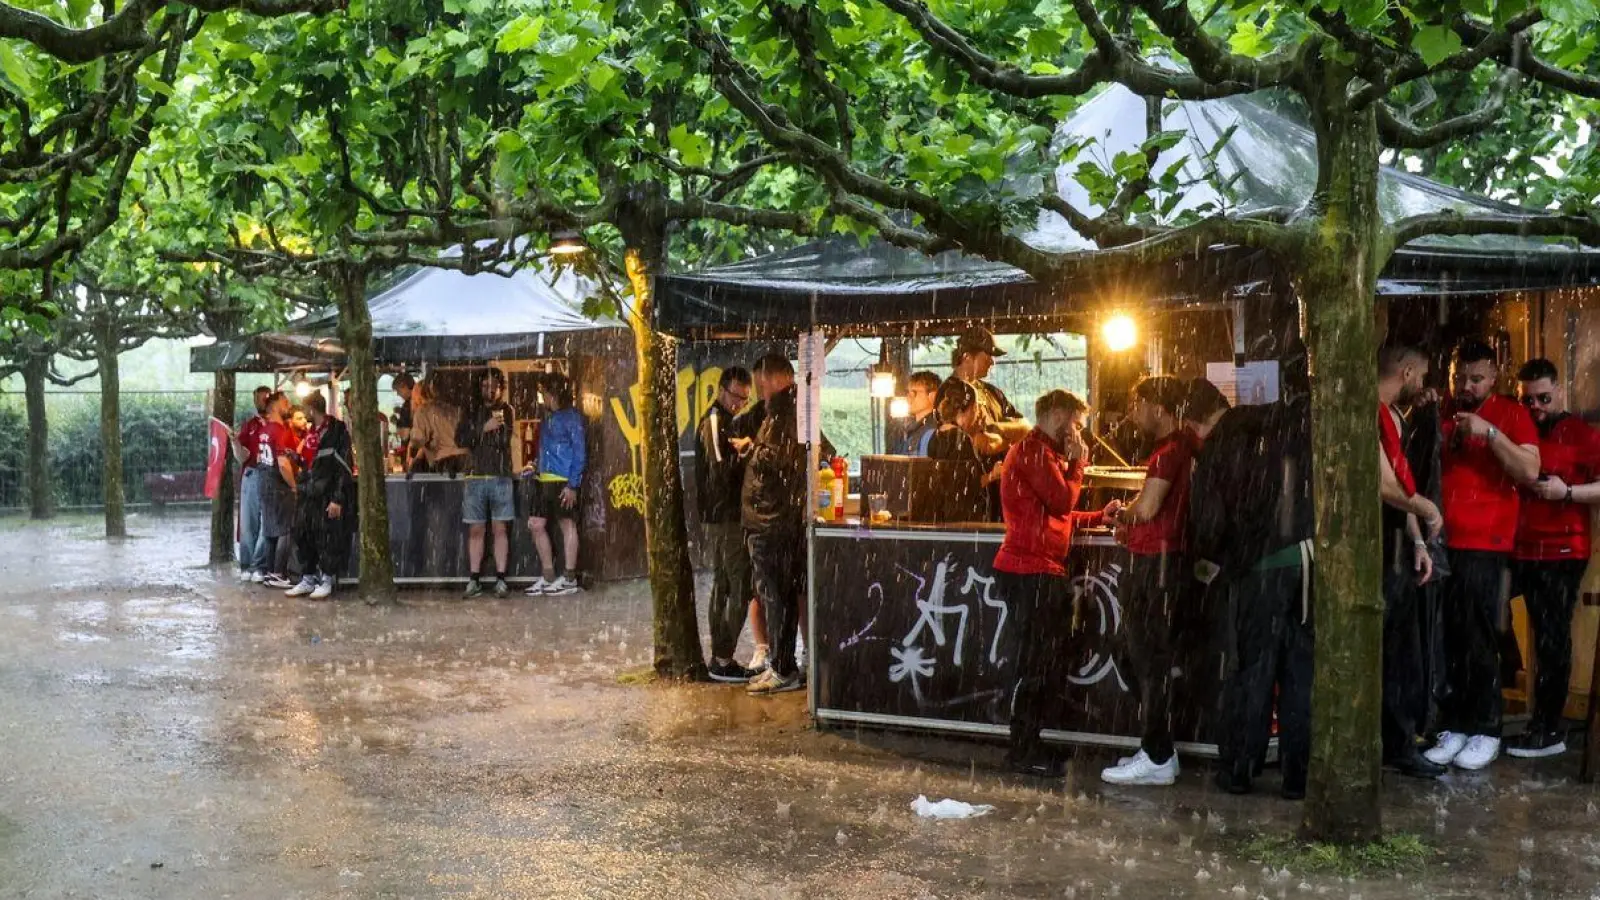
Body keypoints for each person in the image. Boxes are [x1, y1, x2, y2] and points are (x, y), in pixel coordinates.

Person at [1192, 368, 1314, 798]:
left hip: (1257, 568)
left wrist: (1216, 559)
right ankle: (1299, 776)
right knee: (1301, 672)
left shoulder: (1218, 446)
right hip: (1306, 558)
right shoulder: (1279, 423)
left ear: (1194, 422)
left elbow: (1208, 524)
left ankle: (1240, 768)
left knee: (1253, 670)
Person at [1425, 340, 1540, 772]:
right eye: (1460, 377)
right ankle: (1454, 724)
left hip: (1486, 544)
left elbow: (1530, 471)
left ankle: (1487, 728)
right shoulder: (1442, 410)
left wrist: (1490, 434)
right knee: (1448, 636)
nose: (1466, 386)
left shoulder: (1511, 413)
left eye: (1475, 378)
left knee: (1479, 636)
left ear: (1494, 377)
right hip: (1444, 541)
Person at [994, 390, 1118, 777]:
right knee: (1035, 663)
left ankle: (1030, 743)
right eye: (1077, 423)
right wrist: (1079, 465)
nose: (1079, 432)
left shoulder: (1043, 455)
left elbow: (1056, 514)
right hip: (1029, 570)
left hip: (1038, 569)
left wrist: (1098, 515)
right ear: (1059, 415)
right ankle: (1023, 747)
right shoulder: (1033, 452)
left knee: (1043, 662)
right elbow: (1062, 501)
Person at [1100, 375, 1214, 788]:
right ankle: (1158, 745)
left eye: (1137, 403)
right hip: (1162, 561)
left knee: (1146, 659)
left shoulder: (1170, 451)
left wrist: (1120, 513)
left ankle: (1158, 752)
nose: (1133, 413)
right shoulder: (1185, 446)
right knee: (1140, 655)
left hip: (1156, 564)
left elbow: (1148, 508)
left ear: (1158, 407)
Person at [1508, 358, 1600, 759]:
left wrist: (1567, 493)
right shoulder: (1518, 427)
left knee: (1551, 636)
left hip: (1564, 548)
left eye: (1544, 398)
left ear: (1558, 391)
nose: (1536, 407)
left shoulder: (1579, 433)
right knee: (1482, 616)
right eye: (1527, 400)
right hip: (1517, 547)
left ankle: (1548, 728)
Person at [1375, 345, 1448, 779]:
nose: (1423, 384)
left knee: (1402, 651)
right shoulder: (1372, 412)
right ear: (1406, 372)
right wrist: (1429, 511)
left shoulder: (1394, 417)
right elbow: (1386, 486)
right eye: (1421, 375)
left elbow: (1398, 482)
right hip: (1378, 547)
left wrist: (1418, 542)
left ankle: (1400, 739)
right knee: (1393, 652)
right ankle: (1396, 743)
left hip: (1397, 546)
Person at [742, 353, 809, 696]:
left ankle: (784, 668)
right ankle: (782, 665)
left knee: (777, 596)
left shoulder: (787, 413)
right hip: (772, 519)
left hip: (774, 520)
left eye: (762, 383)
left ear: (779, 378)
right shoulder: (785, 411)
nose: (759, 390)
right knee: (776, 595)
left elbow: (781, 459)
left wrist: (755, 449)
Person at [694, 367, 760, 682]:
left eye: (745, 400)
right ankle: (722, 657)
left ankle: (721, 657)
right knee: (738, 584)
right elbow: (720, 470)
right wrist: (747, 451)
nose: (739, 403)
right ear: (722, 389)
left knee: (724, 584)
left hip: (722, 516)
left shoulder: (721, 420)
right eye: (736, 396)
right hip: (725, 517)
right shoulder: (714, 420)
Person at [284, 393, 353, 601]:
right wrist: (296, 458)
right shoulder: (311, 434)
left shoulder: (337, 432)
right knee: (303, 532)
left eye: (306, 411)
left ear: (312, 410)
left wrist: (337, 498)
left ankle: (326, 578)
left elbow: (344, 467)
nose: (304, 416)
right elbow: (311, 463)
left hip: (326, 493)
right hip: (308, 493)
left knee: (327, 536)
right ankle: (308, 577)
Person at [456, 369, 516, 599]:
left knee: (500, 529)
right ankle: (474, 579)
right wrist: (483, 428)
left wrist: (480, 435)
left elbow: (503, 440)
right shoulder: (470, 411)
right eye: (484, 386)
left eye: (493, 386)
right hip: (475, 476)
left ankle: (501, 579)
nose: (489, 390)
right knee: (476, 529)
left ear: (501, 388)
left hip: (500, 475)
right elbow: (460, 439)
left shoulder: (507, 411)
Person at [526, 375, 586, 597]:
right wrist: (536, 465)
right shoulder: (548, 418)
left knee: (567, 524)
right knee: (536, 524)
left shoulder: (572, 418)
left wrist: (573, 484)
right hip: (544, 478)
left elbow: (580, 453)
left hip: (562, 479)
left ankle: (569, 577)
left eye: (545, 394)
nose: (543, 399)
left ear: (554, 394)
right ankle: (549, 575)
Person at [255, 390, 300, 590]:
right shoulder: (278, 430)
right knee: (285, 530)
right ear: (274, 406)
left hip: (264, 482)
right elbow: (282, 463)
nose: (288, 405)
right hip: (278, 485)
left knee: (270, 529)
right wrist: (293, 485)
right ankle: (278, 572)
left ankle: (269, 571)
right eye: (284, 402)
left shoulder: (264, 431)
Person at [233, 386, 273, 583]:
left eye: (266, 398)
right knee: (248, 523)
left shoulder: (276, 425)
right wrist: (235, 443)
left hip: (270, 475)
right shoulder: (249, 426)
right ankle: (247, 564)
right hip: (252, 473)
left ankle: (259, 565)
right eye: (259, 398)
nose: (263, 402)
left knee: (266, 522)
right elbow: (242, 456)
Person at [408, 378, 467, 475]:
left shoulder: (423, 411)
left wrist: (413, 453)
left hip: (445, 461)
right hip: (466, 458)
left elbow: (418, 439)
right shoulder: (451, 408)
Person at [893, 371, 941, 456]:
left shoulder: (934, 431)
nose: (909, 397)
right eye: (908, 392)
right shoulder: (908, 428)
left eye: (914, 393)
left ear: (933, 396)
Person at [393, 373, 416, 465]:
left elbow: (405, 435)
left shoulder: (407, 406)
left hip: (411, 454)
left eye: (398, 390)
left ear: (404, 386)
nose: (398, 394)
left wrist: (397, 422)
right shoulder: (422, 402)